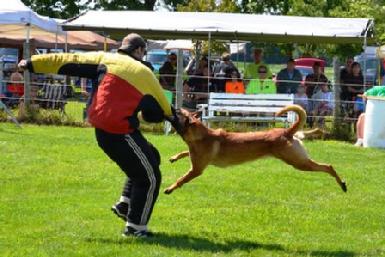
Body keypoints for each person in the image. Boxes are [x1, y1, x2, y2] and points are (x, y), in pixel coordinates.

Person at [18, 33, 181, 238]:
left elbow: (67, 60)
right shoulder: (144, 71)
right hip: (119, 131)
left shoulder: (104, 58)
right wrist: (173, 118)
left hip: (102, 130)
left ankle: (125, 204)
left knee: (151, 156)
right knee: (150, 178)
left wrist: (32, 63)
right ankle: (135, 229)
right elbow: (160, 105)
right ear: (139, 50)